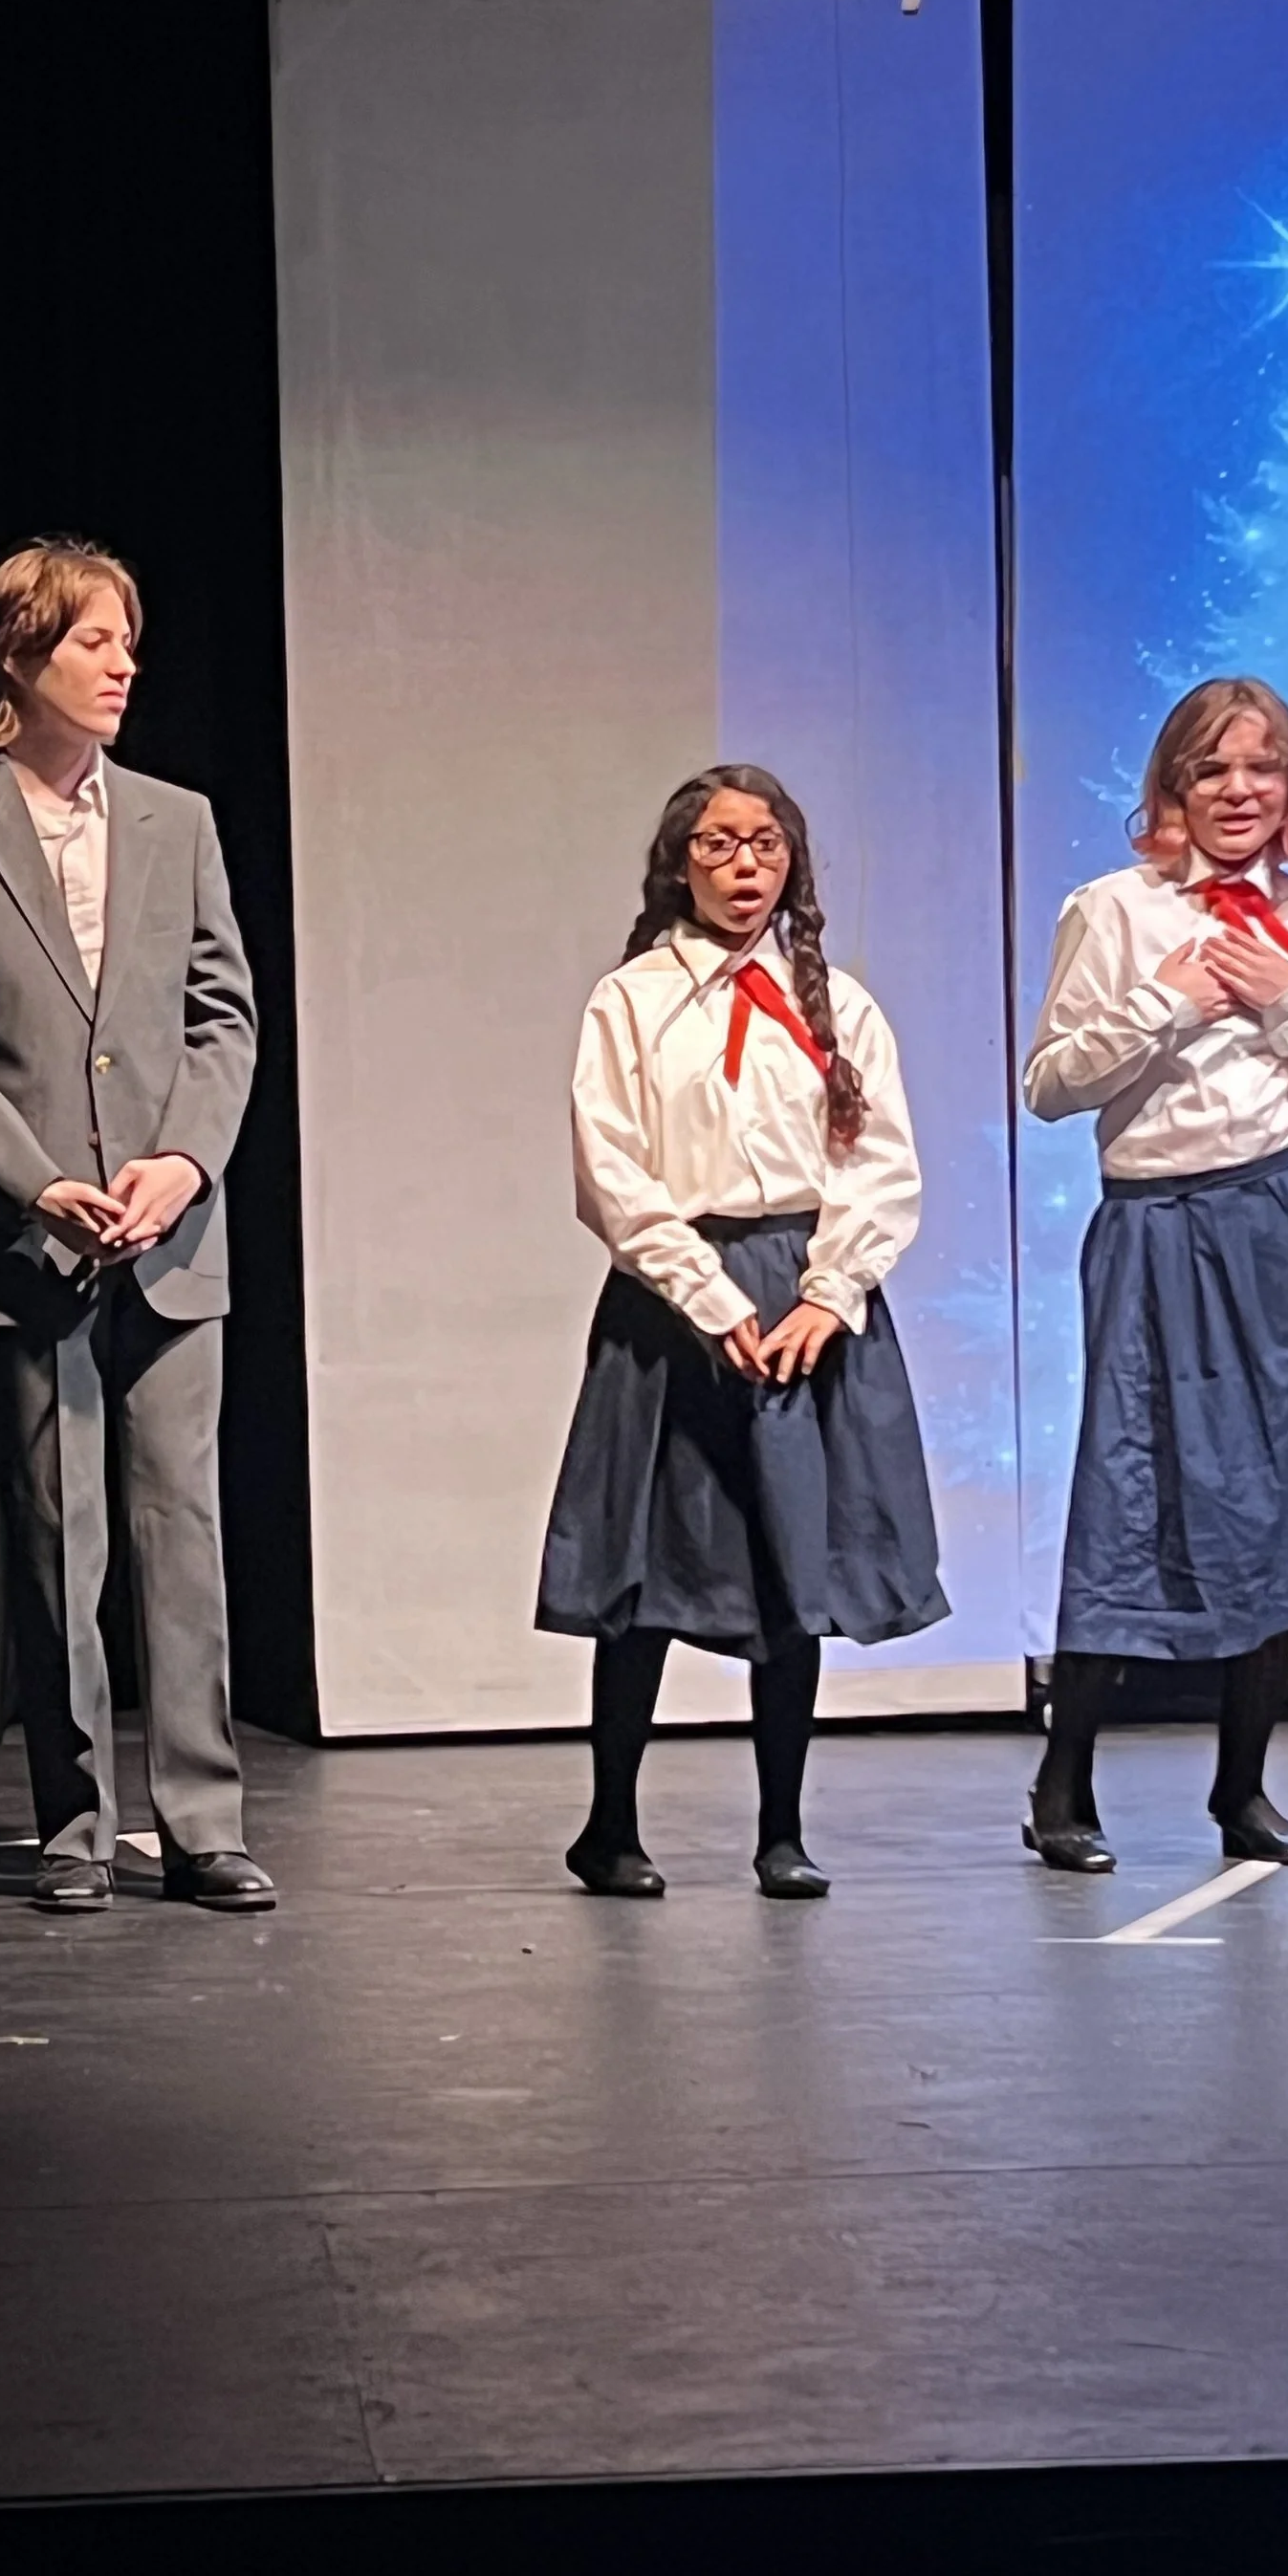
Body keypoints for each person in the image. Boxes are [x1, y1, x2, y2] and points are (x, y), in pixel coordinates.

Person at [0, 535, 272, 1914]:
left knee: (184, 1531)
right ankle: (75, 1820)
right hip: (38, 1241)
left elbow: (225, 1019)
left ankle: (204, 1821)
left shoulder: (178, 820)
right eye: (94, 641)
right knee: (59, 1541)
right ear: (20, 657)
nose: (123, 666)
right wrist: (40, 1182)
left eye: (127, 642)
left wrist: (185, 1164)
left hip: (171, 1236)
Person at [1021, 675, 1288, 1873]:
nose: (1238, 790)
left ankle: (1242, 1790)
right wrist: (1168, 1002)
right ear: (1173, 786)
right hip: (1160, 1224)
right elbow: (1050, 1083)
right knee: (1129, 1487)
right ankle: (1064, 1780)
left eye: (1261, 768)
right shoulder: (1112, 910)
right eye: (1211, 768)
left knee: (1284, 1494)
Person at [536, 764, 949, 1898]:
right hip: (675, 1298)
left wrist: (826, 1293)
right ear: (680, 865)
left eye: (764, 844)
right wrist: (711, 1297)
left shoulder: (838, 1004)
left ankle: (781, 1831)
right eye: (717, 845)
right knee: (645, 1569)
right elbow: (612, 1170)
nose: (743, 866)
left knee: (790, 1564)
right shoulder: (632, 1002)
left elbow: (879, 1164)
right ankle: (610, 1824)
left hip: (804, 1293)